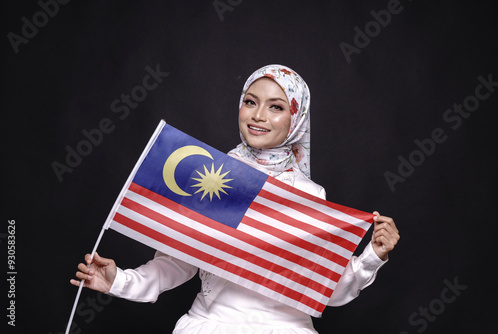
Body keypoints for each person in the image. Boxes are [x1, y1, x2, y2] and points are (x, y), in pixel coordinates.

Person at [71, 64, 400, 333]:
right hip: (209, 326)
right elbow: (176, 262)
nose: (259, 115)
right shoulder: (215, 176)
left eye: (276, 107)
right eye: (250, 101)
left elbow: (324, 288)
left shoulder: (309, 195)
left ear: (297, 118)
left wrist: (372, 255)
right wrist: (120, 280)